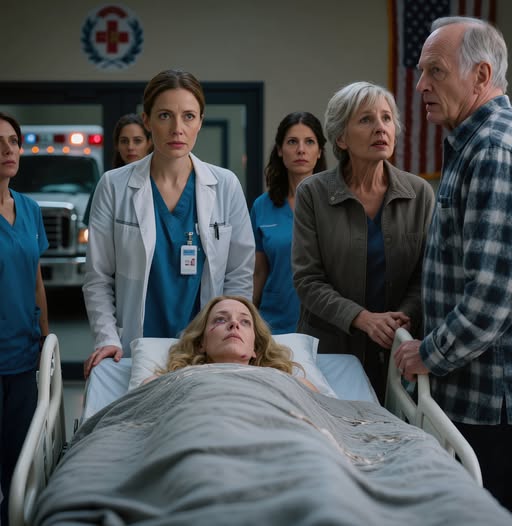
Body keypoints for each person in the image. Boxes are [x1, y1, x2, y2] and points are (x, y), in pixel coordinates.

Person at [393, 16, 512, 524]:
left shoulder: (493, 149)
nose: (421, 85)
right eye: (421, 71)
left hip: (494, 404)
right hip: (477, 394)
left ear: (481, 75)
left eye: (436, 71)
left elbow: (497, 289)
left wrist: (429, 353)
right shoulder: (474, 144)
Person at [83, 69, 255, 378]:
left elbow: (239, 275)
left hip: (205, 348)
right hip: (136, 346)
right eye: (165, 116)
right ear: (147, 121)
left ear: (200, 122)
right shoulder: (114, 185)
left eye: (188, 116)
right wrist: (107, 337)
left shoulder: (225, 185)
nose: (177, 129)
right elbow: (98, 277)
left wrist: (230, 340)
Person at [292, 81, 435, 401]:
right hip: (332, 350)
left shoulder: (419, 193)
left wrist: (402, 318)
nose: (380, 128)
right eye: (366, 119)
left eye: (387, 118)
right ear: (341, 137)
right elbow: (307, 280)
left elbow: (425, 275)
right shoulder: (313, 193)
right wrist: (363, 318)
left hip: (399, 348)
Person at [0, 112, 49, 525]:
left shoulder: (30, 210)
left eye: (13, 141)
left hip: (23, 354)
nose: (7, 150)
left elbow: (35, 282)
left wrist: (46, 343)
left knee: (18, 465)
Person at [250, 112, 327, 334]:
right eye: (292, 142)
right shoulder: (262, 206)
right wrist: (248, 318)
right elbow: (258, 272)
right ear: (280, 150)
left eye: (309, 142)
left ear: (319, 151)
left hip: (325, 322)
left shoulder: (335, 203)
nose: (301, 149)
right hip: (274, 323)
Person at [146, 295, 318, 392]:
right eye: (220, 319)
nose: (234, 324)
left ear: (255, 348)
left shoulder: (294, 385)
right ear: (201, 343)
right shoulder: (163, 384)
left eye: (245, 322)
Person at [83, 113, 153, 225]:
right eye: (124, 141)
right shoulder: (106, 183)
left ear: (149, 143)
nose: (130, 147)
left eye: (137, 141)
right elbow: (95, 229)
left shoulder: (160, 182)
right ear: (117, 145)